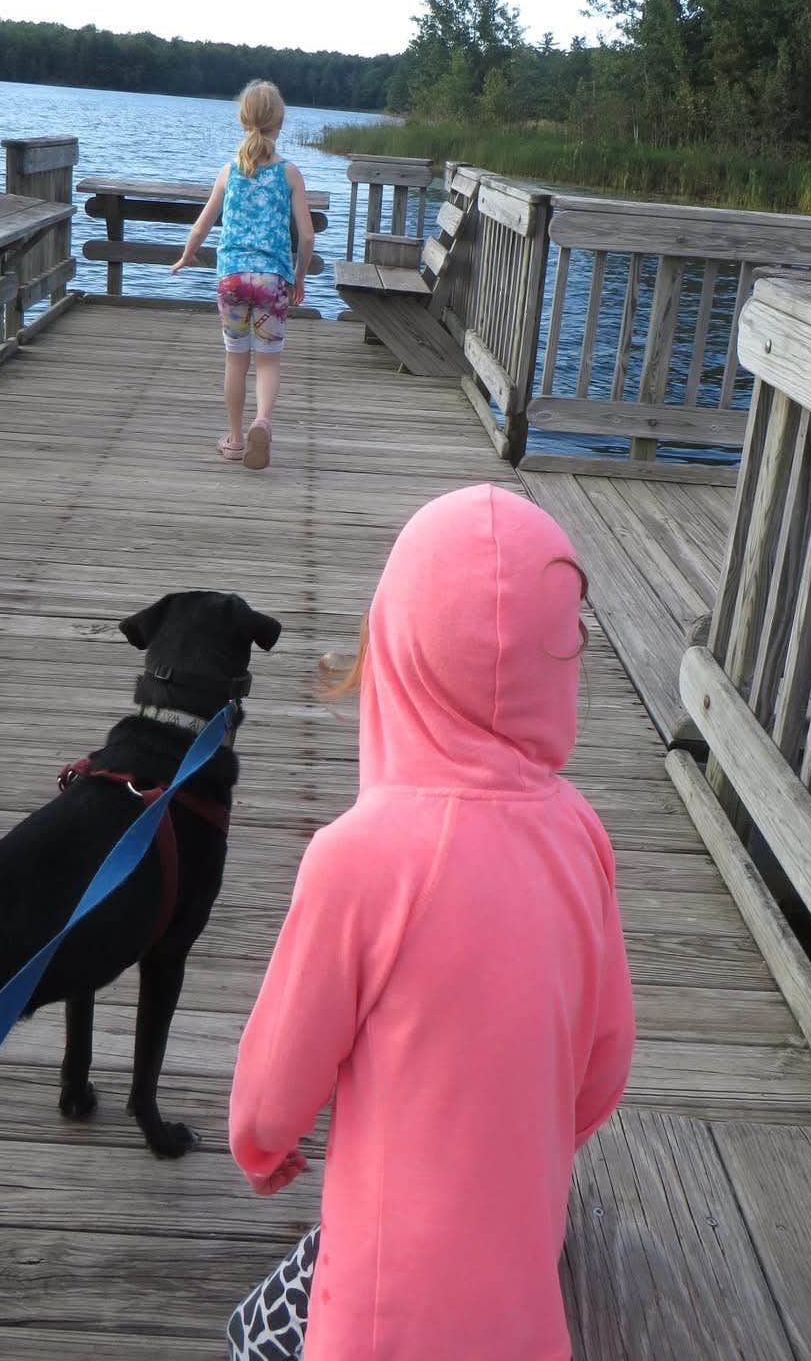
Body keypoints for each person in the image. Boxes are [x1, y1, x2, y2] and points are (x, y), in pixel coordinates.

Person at [226, 483, 636, 1360]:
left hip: (380, 1314)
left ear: (394, 647)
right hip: (522, 1297)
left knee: (248, 1340)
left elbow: (273, 1085)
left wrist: (262, 1149)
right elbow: (605, 1063)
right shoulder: (582, 836)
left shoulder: (359, 859)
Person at [171, 79, 315, 470]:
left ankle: (235, 440)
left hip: (231, 279)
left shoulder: (228, 172)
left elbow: (201, 226)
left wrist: (186, 256)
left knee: (236, 360)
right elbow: (306, 235)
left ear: (242, 120)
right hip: (272, 281)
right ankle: (262, 422)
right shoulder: (289, 173)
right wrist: (298, 278)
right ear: (280, 123)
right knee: (268, 361)